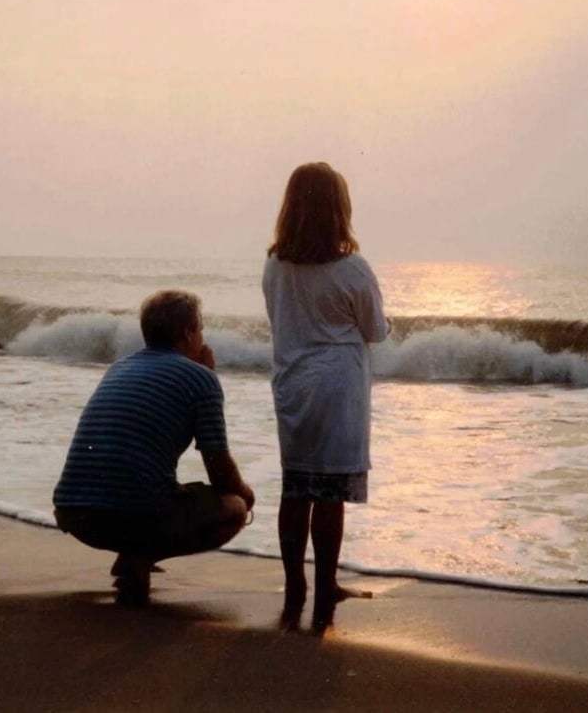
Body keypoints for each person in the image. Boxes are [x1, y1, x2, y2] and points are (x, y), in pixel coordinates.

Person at [53, 290, 256, 605]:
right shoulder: (200, 379)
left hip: (73, 512)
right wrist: (247, 495)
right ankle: (139, 556)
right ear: (188, 333)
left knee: (148, 485)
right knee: (235, 508)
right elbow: (219, 468)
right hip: (131, 516)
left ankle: (133, 553)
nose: (202, 338)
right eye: (200, 330)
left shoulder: (118, 367)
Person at [262, 162, 388, 633]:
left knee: (295, 488)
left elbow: (281, 321)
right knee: (330, 493)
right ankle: (326, 583)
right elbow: (375, 330)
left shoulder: (275, 266)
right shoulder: (351, 268)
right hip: (337, 386)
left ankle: (294, 582)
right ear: (339, 208)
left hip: (292, 382)